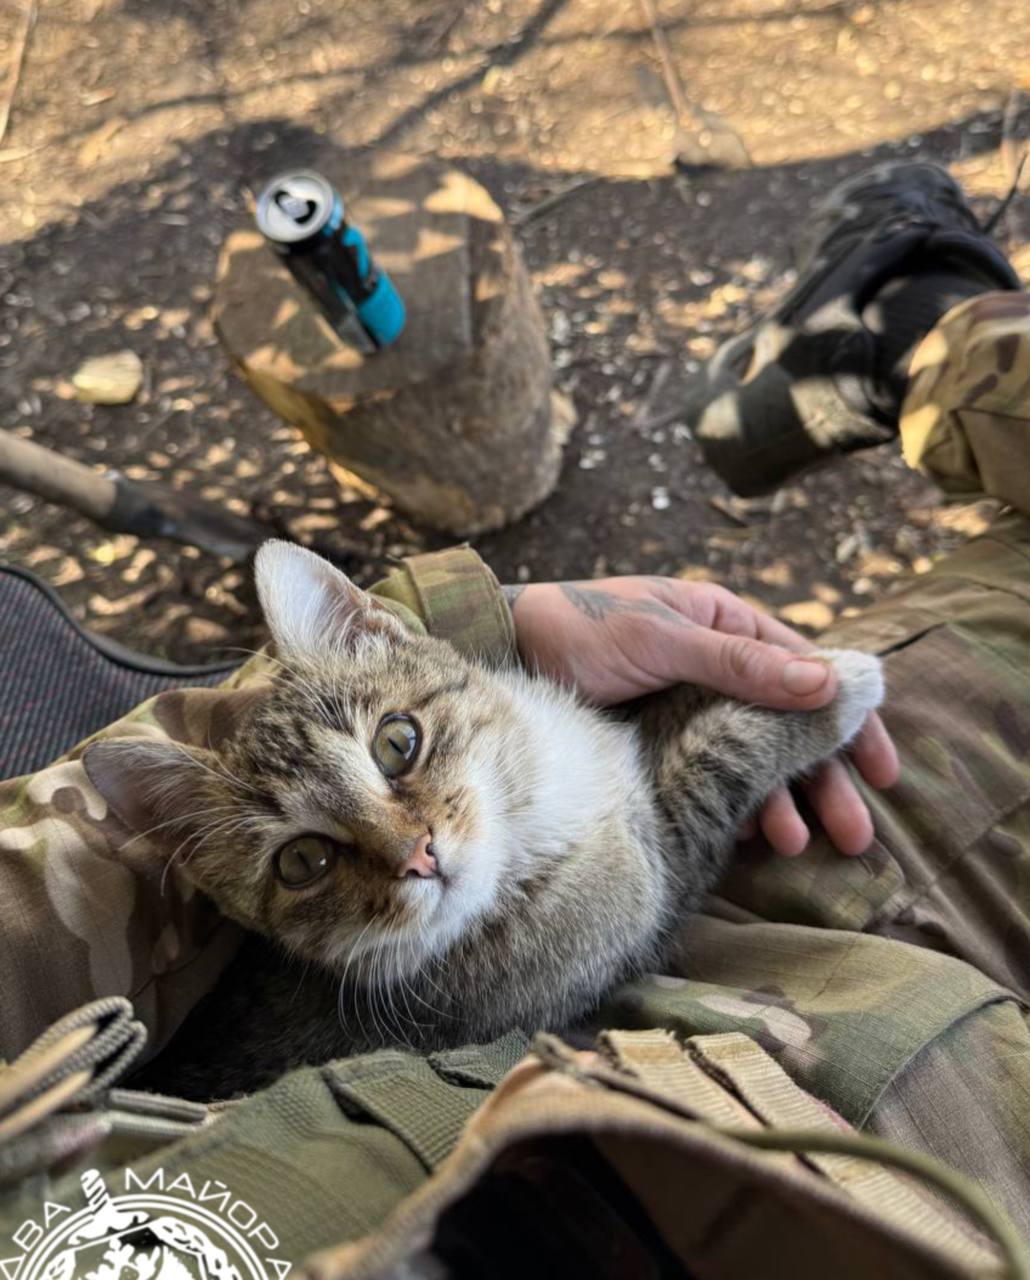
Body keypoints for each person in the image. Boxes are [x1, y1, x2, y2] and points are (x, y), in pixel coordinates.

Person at [0, 160, 1028, 1264]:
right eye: (311, 863)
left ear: (386, 646)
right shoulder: (464, 967)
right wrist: (743, 739)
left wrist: (481, 621)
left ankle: (917, 337)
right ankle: (924, 335)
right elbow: (646, 873)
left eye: (398, 747)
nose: (405, 847)